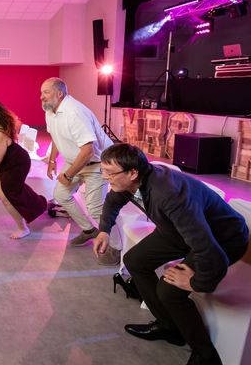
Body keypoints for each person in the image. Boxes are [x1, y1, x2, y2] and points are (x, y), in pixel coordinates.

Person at [94, 143, 249, 365]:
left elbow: (208, 248)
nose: (105, 177)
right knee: (134, 261)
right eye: (103, 171)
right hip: (177, 230)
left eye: (109, 173)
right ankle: (169, 327)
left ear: (132, 173)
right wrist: (104, 230)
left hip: (223, 240)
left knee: (168, 291)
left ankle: (206, 355)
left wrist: (198, 282)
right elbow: (112, 201)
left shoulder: (168, 195)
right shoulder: (129, 182)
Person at [40, 77, 120, 265]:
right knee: (60, 194)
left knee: (94, 208)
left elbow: (88, 151)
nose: (41, 97)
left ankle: (116, 247)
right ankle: (88, 230)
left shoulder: (74, 112)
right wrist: (52, 160)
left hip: (97, 164)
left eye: (46, 92)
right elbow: (55, 137)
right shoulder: (51, 110)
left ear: (59, 93)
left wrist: (68, 175)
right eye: (41, 93)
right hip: (75, 161)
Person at [0, 100, 48, 239]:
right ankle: (39, 204)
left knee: (6, 195)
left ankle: (23, 228)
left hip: (17, 162)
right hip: (6, 161)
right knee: (3, 192)